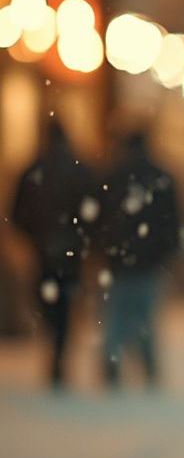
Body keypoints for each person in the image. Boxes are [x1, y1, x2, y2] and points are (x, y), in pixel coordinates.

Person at [9, 116, 101, 390]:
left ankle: (55, 351)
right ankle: (60, 352)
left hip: (43, 253)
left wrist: (38, 237)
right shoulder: (79, 170)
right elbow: (94, 212)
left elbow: (17, 214)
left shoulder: (34, 170)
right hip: (71, 254)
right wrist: (80, 238)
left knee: (49, 306)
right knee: (65, 307)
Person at [96, 126, 182, 389]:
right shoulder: (161, 177)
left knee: (117, 316)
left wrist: (106, 248)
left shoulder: (113, 176)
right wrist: (166, 252)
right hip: (149, 262)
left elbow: (100, 219)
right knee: (145, 317)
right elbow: (172, 221)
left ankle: (112, 361)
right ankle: (148, 368)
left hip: (118, 261)